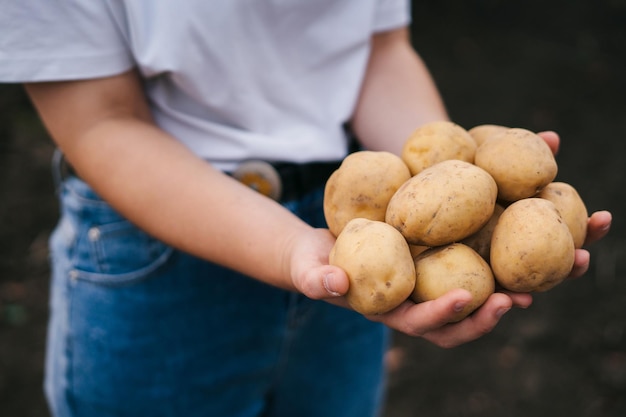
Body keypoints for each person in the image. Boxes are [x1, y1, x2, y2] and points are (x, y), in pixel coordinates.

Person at [0, 1, 612, 416]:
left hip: (352, 225)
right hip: (157, 252)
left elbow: (378, 51)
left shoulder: (380, 241)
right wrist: (289, 248)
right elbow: (102, 123)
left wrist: (446, 175)